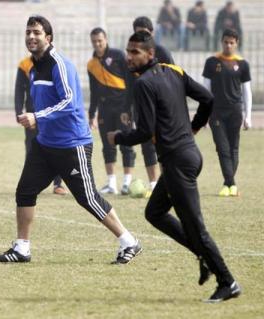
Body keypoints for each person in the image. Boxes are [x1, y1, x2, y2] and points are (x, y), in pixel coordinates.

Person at [0, 15, 141, 264]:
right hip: (45, 144)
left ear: (48, 38)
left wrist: (37, 116)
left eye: (37, 32)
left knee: (88, 198)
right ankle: (22, 248)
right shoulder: (33, 65)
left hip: (72, 144)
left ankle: (129, 241)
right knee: (25, 191)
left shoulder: (59, 64)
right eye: (28, 32)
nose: (31, 36)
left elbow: (70, 103)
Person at [107, 31, 240, 303]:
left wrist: (118, 137)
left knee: (196, 228)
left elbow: (144, 131)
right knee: (154, 212)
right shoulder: (174, 71)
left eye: (135, 52)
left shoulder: (144, 83)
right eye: (128, 51)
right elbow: (208, 99)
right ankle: (203, 255)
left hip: (179, 162)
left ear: (150, 54)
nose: (130, 56)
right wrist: (193, 128)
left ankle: (228, 282)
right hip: (186, 156)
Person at [202, 29, 252, 197]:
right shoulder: (211, 62)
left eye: (232, 42)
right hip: (216, 112)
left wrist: (248, 116)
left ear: (236, 43)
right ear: (221, 42)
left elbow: (247, 91)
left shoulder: (242, 64)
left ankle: (228, 183)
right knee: (222, 149)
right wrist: (204, 115)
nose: (228, 45)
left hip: (235, 111)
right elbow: (205, 90)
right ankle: (231, 183)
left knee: (233, 149)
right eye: (226, 42)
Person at [87, 27, 135, 195]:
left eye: (100, 40)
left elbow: (130, 80)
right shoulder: (91, 64)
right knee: (108, 146)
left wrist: (130, 108)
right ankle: (111, 183)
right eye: (94, 41)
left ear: (105, 39)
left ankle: (127, 182)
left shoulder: (118, 56)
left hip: (123, 107)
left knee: (126, 144)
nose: (97, 44)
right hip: (104, 110)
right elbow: (93, 92)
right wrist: (91, 114)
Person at [131, 16, 174, 196]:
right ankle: (154, 184)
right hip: (141, 107)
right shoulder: (132, 55)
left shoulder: (162, 52)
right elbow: (129, 83)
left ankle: (169, 183)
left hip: (161, 107)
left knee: (165, 146)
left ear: (152, 33)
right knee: (146, 145)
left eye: (144, 33)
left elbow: (173, 78)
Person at [14, 55, 67, 195]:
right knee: (31, 149)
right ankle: (32, 183)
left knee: (55, 149)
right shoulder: (24, 64)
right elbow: (19, 89)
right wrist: (18, 112)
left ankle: (58, 184)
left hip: (49, 115)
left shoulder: (54, 64)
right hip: (31, 116)